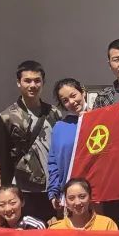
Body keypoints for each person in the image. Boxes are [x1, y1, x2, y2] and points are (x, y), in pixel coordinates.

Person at [0, 60, 58, 222]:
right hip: (23, 189)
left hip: (51, 188)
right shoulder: (6, 117)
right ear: (18, 82)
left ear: (43, 83)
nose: (32, 85)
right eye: (27, 81)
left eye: (37, 80)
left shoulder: (54, 113)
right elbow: (3, 158)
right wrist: (8, 190)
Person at [47, 78, 87, 212]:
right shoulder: (59, 128)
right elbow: (53, 163)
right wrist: (53, 192)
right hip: (70, 197)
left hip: (98, 195)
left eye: (73, 95)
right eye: (65, 100)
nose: (71, 102)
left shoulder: (100, 119)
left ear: (83, 92)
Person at [48, 178, 118, 231]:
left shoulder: (107, 225)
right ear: (66, 201)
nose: (77, 202)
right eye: (71, 198)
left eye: (82, 197)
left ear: (90, 197)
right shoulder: (55, 229)